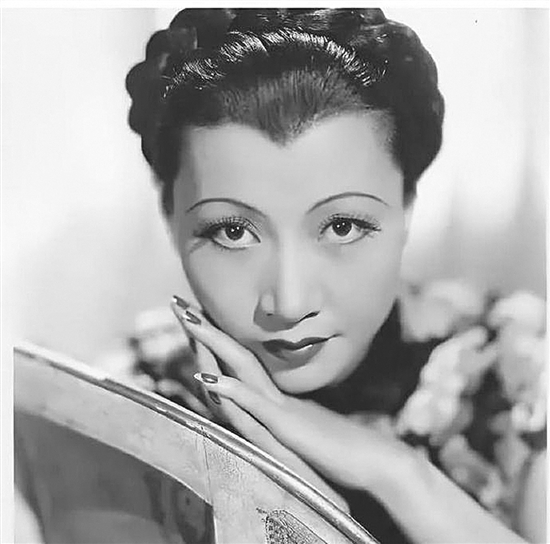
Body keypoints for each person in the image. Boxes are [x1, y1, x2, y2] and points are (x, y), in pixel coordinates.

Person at [125, 8, 546, 543]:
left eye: (342, 226)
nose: (290, 301)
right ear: (170, 220)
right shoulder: (130, 403)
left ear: (407, 206)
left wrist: (402, 477)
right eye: (232, 231)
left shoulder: (520, 368)